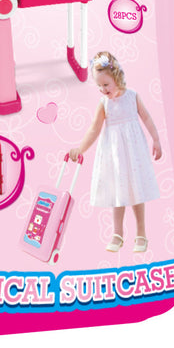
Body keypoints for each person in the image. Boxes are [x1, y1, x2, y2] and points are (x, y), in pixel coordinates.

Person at [69, 52, 162, 252]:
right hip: (115, 155)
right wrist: (80, 148)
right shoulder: (104, 104)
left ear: (117, 77)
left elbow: (146, 118)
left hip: (134, 154)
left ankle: (141, 233)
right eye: (99, 86)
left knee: (137, 192)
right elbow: (94, 129)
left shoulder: (132, 97)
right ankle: (117, 234)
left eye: (106, 84)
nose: (102, 90)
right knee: (118, 193)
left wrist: (156, 139)